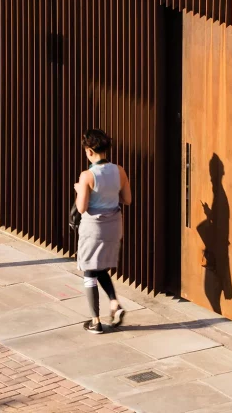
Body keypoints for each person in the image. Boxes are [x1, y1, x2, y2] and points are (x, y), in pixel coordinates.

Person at [74, 128, 132, 334]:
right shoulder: (120, 170)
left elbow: (81, 208)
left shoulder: (87, 175)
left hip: (94, 228)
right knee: (100, 267)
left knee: (90, 270)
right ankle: (114, 303)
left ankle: (95, 321)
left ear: (89, 151)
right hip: (114, 226)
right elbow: (127, 200)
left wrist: (80, 189)